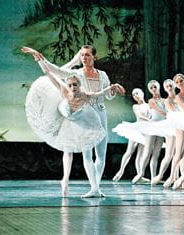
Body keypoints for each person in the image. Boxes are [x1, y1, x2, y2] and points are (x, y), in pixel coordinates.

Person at [22, 46, 125, 198]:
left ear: (94, 57)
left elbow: (106, 95)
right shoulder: (76, 74)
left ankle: (97, 187)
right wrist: (40, 57)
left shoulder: (102, 75)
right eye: (82, 55)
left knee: (101, 153)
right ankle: (93, 188)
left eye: (88, 55)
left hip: (100, 112)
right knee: (87, 153)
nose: (84, 58)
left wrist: (113, 90)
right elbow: (54, 71)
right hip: (84, 114)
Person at [161, 74, 184, 189]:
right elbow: (178, 110)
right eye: (177, 82)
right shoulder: (174, 98)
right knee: (179, 152)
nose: (180, 83)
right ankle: (172, 176)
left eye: (181, 80)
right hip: (181, 122)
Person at [112, 88, 151, 181]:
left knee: (140, 154)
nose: (136, 96)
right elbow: (140, 116)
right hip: (137, 129)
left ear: (142, 93)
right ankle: (120, 171)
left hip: (145, 131)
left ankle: (139, 175)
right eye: (134, 95)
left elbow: (150, 115)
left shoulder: (149, 105)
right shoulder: (135, 106)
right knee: (129, 151)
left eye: (137, 93)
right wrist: (151, 121)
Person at [132, 80, 166, 183]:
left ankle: (154, 177)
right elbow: (160, 111)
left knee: (156, 153)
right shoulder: (151, 101)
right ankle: (141, 173)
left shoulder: (164, 100)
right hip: (152, 126)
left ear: (158, 87)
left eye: (155, 87)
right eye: (151, 88)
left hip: (161, 127)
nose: (153, 89)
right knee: (147, 152)